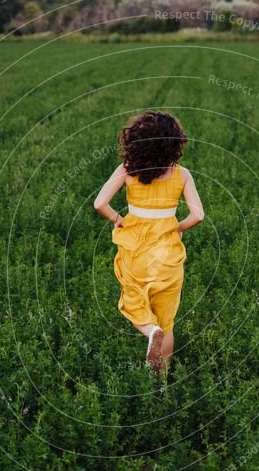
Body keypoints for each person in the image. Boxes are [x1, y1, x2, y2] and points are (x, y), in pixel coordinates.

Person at [93, 111, 205, 371]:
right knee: (168, 320)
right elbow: (198, 215)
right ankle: (161, 385)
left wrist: (118, 219)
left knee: (133, 300)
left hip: (136, 249)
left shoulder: (127, 170)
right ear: (174, 143)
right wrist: (178, 227)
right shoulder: (182, 174)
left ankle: (149, 330)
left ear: (136, 141)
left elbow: (100, 203)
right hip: (167, 251)